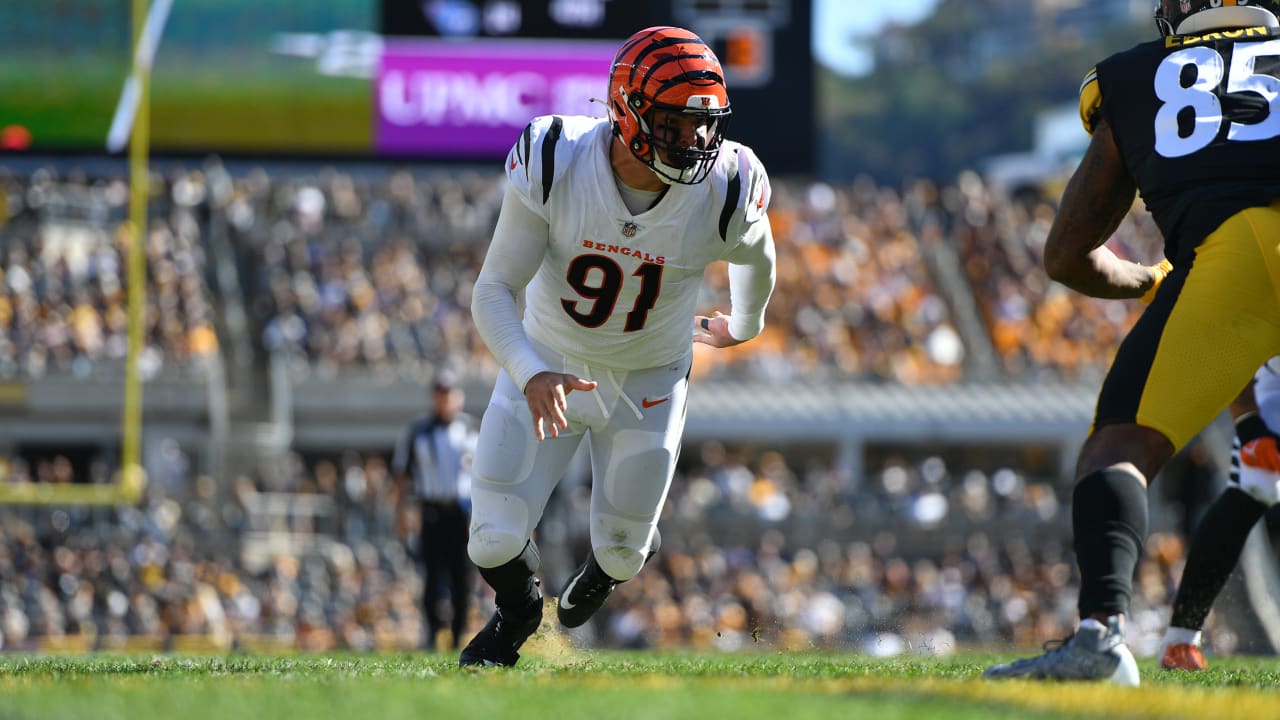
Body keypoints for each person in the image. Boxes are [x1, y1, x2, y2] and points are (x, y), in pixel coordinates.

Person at [983, 0, 1280, 686]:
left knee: (1121, 448)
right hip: (1233, 262)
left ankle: (1101, 639)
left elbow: (1066, 255)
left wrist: (1150, 280)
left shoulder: (1137, 76)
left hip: (1230, 258)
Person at [460, 25, 776, 667]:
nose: (694, 141)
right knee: (491, 539)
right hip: (549, 364)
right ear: (627, 109)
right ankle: (518, 615)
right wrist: (529, 373)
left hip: (648, 381)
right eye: (676, 123)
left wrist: (745, 324)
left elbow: (759, 256)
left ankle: (605, 570)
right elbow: (492, 289)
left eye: (704, 125)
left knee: (624, 548)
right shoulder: (557, 157)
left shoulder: (727, 186)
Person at [1159, 358, 1280, 671]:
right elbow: (1235, 345)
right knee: (1254, 487)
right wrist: (1249, 421)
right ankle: (1181, 638)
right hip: (1270, 381)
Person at [391, 369, 479, 652]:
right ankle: (430, 635)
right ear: (433, 399)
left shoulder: (473, 429)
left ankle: (456, 636)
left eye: (450, 395)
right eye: (440, 396)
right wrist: (401, 512)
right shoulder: (417, 432)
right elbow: (402, 476)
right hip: (431, 511)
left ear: (459, 398)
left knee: (462, 577)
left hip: (464, 512)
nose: (445, 401)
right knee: (431, 574)